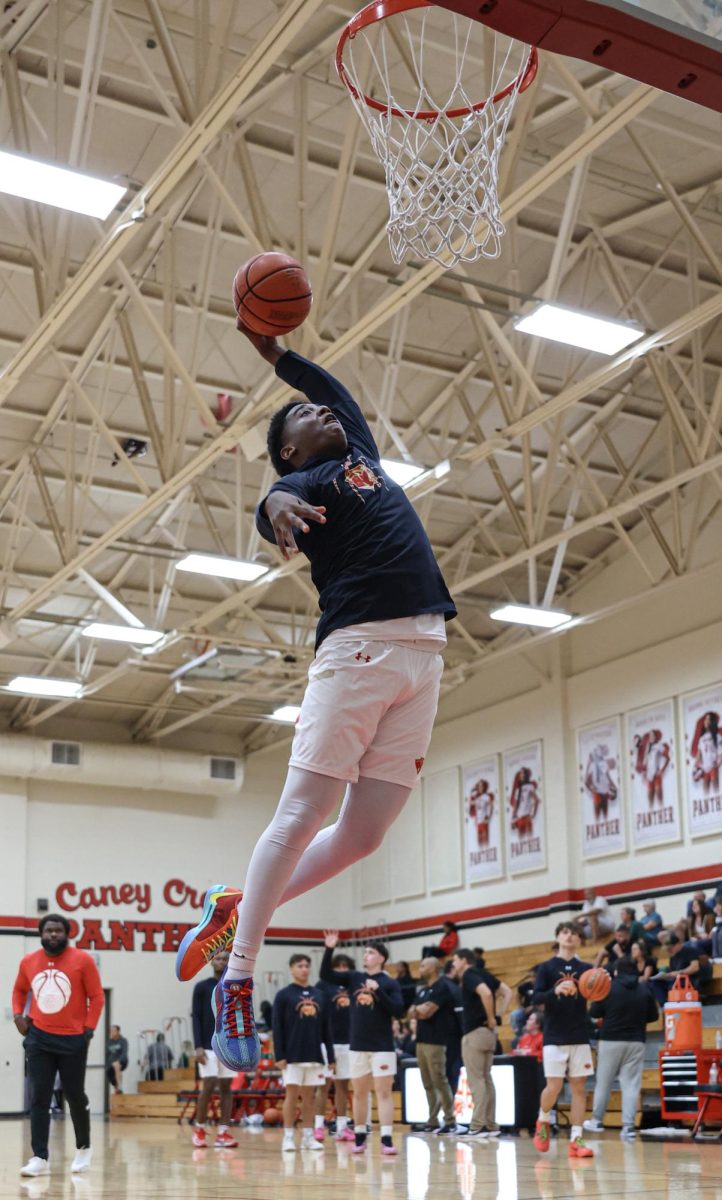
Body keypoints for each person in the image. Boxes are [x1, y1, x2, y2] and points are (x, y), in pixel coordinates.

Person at [175, 328, 456, 1075]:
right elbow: (272, 499)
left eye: (323, 412)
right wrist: (275, 507)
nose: (322, 414)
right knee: (302, 816)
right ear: (292, 449)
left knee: (363, 836)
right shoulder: (305, 483)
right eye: (304, 416)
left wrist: (277, 357)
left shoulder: (357, 452)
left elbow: (330, 388)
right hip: (358, 650)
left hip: (425, 656)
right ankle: (236, 978)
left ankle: (238, 905)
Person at [12, 914, 104, 1178]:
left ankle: (84, 1147)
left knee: (74, 1095)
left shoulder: (83, 960)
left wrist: (88, 1029)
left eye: (58, 931)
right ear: (41, 934)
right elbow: (19, 990)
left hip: (73, 1038)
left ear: (67, 934)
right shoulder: (28, 961)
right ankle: (40, 1157)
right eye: (49, 930)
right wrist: (18, 1015)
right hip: (39, 1037)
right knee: (39, 1097)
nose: (53, 935)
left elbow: (96, 997)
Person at [320, 930, 404, 1155]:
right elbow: (325, 974)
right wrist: (329, 949)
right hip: (356, 1044)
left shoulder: (389, 982)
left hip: (383, 1046)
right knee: (358, 1092)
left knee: (383, 1093)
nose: (366, 955)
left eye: (371, 952)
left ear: (381, 958)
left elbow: (398, 1010)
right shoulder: (354, 977)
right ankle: (359, 1136)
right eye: (365, 952)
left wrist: (379, 993)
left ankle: (386, 1138)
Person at [531, 921, 595, 1159]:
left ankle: (576, 1139)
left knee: (580, 1088)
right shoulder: (547, 968)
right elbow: (535, 998)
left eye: (574, 933)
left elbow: (596, 994)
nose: (569, 936)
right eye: (565, 932)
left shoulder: (587, 968)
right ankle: (543, 1119)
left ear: (579, 940)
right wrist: (554, 992)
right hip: (554, 1035)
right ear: (558, 937)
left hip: (579, 1033)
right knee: (554, 1087)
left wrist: (602, 986)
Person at [583, 957, 659, 1141]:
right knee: (631, 1085)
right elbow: (654, 1016)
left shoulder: (608, 987)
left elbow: (594, 1013)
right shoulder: (644, 989)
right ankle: (628, 1127)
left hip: (610, 1040)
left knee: (604, 1082)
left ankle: (597, 1120)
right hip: (636, 1042)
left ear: (616, 971)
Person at [273, 952, 334, 1154]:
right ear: (291, 969)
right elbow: (277, 1027)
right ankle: (288, 1137)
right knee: (292, 1095)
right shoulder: (283, 995)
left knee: (310, 1097)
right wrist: (279, 1055)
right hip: (291, 1054)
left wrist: (331, 1057)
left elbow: (327, 1029)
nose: (304, 969)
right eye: (300, 966)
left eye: (307, 965)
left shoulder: (319, 995)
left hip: (315, 1054)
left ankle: (308, 1137)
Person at [452, 948, 512, 1139]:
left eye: (455, 960)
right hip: (488, 1034)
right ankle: (491, 1124)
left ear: (464, 960)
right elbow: (507, 991)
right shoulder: (484, 973)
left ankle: (478, 1125)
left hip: (475, 1032)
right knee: (486, 1079)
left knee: (476, 1079)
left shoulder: (469, 974)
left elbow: (485, 993)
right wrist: (498, 1015)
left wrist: (491, 1017)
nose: (453, 964)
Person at [190, 949, 238, 1149]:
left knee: (227, 1088)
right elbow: (197, 1017)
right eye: (218, 959)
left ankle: (223, 1132)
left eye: (225, 959)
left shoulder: (235, 987)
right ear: (211, 962)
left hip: (230, 1044)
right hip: (209, 1045)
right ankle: (199, 1128)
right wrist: (198, 1046)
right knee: (209, 1085)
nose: (221, 962)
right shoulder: (201, 987)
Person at [407, 956, 458, 1134]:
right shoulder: (422, 991)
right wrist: (418, 1010)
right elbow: (410, 1013)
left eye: (423, 966)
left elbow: (428, 1012)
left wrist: (419, 1010)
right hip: (420, 1041)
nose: (419, 968)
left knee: (439, 1081)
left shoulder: (441, 987)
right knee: (427, 1083)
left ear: (434, 968)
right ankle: (432, 1120)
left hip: (436, 1041)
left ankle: (450, 1120)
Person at [315, 950, 355, 1142]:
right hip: (326, 1042)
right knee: (323, 1086)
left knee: (343, 1086)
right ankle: (318, 1126)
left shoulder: (354, 985)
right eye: (338, 967)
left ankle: (341, 1126)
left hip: (348, 1042)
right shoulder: (322, 986)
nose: (341, 970)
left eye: (345, 967)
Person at [442, 960, 464, 1096]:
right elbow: (461, 1018)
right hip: (453, 1040)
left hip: (436, 1039)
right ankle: (448, 1114)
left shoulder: (435, 986)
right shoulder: (454, 989)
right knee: (451, 1076)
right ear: (453, 970)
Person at [106, 1025, 128, 1095]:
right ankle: (117, 1089)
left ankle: (119, 1087)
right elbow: (107, 1054)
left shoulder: (123, 1041)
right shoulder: (109, 1042)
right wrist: (107, 1064)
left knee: (117, 1066)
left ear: (118, 1032)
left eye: (113, 1031)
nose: (112, 1033)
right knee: (109, 1074)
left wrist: (119, 1061)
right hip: (111, 1062)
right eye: (111, 1031)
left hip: (122, 1060)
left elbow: (124, 1052)